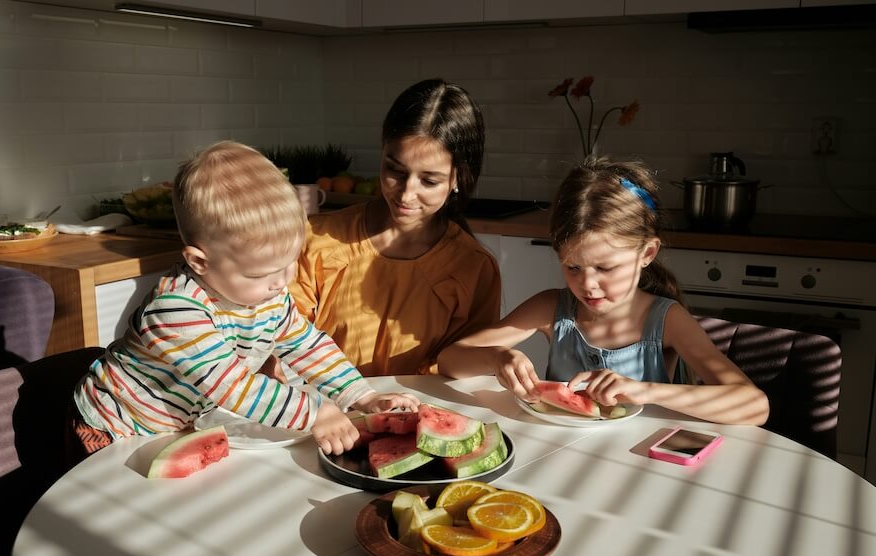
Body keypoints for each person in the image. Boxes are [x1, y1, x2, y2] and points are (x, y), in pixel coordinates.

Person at [73, 141, 418, 459]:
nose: (282, 282)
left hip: (174, 426)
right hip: (115, 425)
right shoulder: (175, 310)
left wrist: (362, 396)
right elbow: (232, 385)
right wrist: (315, 411)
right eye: (259, 275)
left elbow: (307, 345)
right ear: (199, 262)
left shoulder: (268, 297)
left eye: (290, 264)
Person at [438, 157, 769, 425]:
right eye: (573, 267)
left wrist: (646, 391)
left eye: (606, 268)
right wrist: (496, 357)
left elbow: (754, 406)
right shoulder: (551, 307)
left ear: (647, 254)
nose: (588, 284)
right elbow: (450, 360)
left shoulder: (666, 320)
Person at [288, 79, 501, 376]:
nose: (406, 194)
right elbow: (284, 340)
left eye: (429, 181)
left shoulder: (473, 268)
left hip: (418, 414)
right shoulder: (316, 239)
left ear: (458, 179)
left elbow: (464, 369)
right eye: (395, 171)